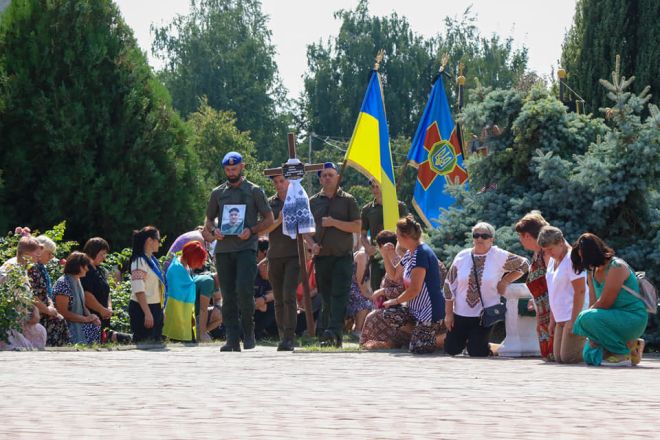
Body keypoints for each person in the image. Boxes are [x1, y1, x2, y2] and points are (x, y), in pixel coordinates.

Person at [205, 151, 274, 351]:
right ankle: (232, 339)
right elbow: (208, 219)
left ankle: (249, 332)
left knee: (244, 289)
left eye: (234, 169)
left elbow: (269, 219)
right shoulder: (217, 193)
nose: (231, 172)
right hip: (224, 249)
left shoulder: (254, 191)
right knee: (227, 294)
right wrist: (213, 230)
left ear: (242, 167)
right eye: (227, 169)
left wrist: (252, 230)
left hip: (246, 247)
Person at [444, 222, 529, 357]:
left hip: (485, 314)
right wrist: (449, 314)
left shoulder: (498, 256)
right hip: (460, 313)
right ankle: (474, 342)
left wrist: (505, 280)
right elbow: (449, 284)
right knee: (451, 349)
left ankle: (484, 345)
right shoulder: (462, 256)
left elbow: (524, 265)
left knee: (477, 352)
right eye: (476, 235)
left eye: (484, 236)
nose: (479, 239)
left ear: (491, 239)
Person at [571, 233, 648, 366]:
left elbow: (605, 303)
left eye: (584, 257)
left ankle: (623, 353)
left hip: (632, 318)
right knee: (589, 356)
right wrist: (592, 333)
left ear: (593, 253)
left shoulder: (616, 266)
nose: (583, 262)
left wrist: (586, 322)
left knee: (585, 318)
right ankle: (632, 345)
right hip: (609, 320)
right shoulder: (592, 270)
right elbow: (593, 303)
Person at [307, 162, 361, 347]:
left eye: (331, 174)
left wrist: (334, 222)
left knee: (339, 295)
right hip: (322, 257)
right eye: (324, 175)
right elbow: (306, 230)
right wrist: (312, 244)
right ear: (320, 179)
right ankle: (328, 333)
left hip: (342, 257)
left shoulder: (348, 200)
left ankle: (334, 332)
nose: (327, 178)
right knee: (326, 296)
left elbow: (357, 225)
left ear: (338, 177)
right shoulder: (313, 201)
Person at [379, 215, 447, 354]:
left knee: (418, 349)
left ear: (405, 236)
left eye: (397, 235)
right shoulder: (411, 252)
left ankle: (449, 338)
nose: (396, 239)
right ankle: (421, 334)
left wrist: (396, 300)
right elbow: (394, 275)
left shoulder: (421, 254)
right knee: (390, 313)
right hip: (415, 308)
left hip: (429, 310)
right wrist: (385, 255)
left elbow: (415, 289)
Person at [538, 226, 587, 364]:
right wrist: (552, 320)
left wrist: (574, 320)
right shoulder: (553, 260)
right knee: (559, 358)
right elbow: (554, 291)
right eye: (545, 250)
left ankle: (601, 346)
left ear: (561, 242)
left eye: (550, 249)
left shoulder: (572, 259)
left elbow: (580, 291)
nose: (548, 253)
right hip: (560, 317)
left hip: (574, 315)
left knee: (568, 358)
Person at [263, 174, 300, 351]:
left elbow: (306, 225)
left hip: (294, 255)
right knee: (278, 298)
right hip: (274, 256)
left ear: (289, 182)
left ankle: (289, 336)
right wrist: (278, 220)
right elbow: (264, 228)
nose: (279, 185)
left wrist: (312, 244)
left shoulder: (298, 199)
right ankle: (282, 335)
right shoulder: (270, 203)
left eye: (282, 181)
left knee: (288, 295)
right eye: (276, 182)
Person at [360, 230, 411, 350]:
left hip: (402, 305)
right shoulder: (396, 258)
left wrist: (383, 292)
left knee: (373, 317)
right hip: (394, 304)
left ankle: (380, 342)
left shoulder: (399, 260)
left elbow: (401, 288)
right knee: (374, 315)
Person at [515, 211, 554, 360]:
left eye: (520, 236)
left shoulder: (547, 253)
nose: (520, 240)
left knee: (555, 356)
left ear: (527, 236)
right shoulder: (537, 254)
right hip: (543, 312)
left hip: (553, 313)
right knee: (548, 356)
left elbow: (554, 283)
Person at [80, 237, 131, 344]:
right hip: (92, 316)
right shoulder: (85, 269)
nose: (104, 257)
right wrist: (101, 309)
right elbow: (86, 295)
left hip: (103, 315)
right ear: (93, 251)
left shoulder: (100, 269)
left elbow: (107, 291)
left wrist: (109, 308)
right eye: (102, 253)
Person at [0, 235, 47, 349]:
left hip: (21, 321)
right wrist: (46, 310)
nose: (38, 257)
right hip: (7, 322)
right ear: (27, 254)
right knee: (19, 348)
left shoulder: (22, 267)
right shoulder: (11, 269)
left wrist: (35, 311)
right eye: (36, 254)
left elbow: (28, 294)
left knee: (40, 332)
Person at [360, 179, 408, 292]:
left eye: (378, 186)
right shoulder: (367, 210)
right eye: (373, 187)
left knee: (399, 288)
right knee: (377, 289)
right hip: (376, 257)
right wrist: (367, 247)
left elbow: (408, 228)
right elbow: (362, 235)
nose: (375, 189)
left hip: (397, 256)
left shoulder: (399, 206)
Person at [27, 235, 70, 346]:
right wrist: (48, 310)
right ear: (40, 250)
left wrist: (51, 306)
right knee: (58, 321)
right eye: (49, 253)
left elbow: (46, 292)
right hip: (35, 312)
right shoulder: (32, 268)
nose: (51, 257)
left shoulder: (41, 268)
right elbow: (32, 296)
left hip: (45, 309)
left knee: (59, 320)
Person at [163, 241, 208, 342]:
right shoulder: (176, 269)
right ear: (192, 257)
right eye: (198, 261)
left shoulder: (185, 266)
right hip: (176, 315)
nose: (199, 266)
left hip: (186, 314)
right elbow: (174, 297)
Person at [53, 252, 102, 344]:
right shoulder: (63, 283)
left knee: (96, 326)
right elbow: (63, 312)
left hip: (78, 320)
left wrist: (91, 317)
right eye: (85, 266)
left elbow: (83, 306)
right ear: (78, 266)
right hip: (66, 325)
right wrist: (85, 319)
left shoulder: (77, 281)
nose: (87, 269)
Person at [129, 226, 165, 343]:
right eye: (158, 240)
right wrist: (147, 313)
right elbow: (138, 289)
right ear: (150, 240)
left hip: (155, 307)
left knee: (155, 343)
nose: (159, 243)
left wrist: (160, 309)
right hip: (143, 308)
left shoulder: (152, 260)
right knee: (144, 343)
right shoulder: (139, 261)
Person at [347, 236, 372, 337]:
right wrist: (368, 294)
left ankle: (360, 328)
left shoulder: (368, 256)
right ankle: (358, 330)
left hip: (356, 287)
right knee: (365, 302)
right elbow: (360, 280)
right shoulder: (362, 255)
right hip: (351, 288)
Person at [253, 238, 277, 340]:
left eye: (256, 252)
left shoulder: (273, 269)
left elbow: (277, 292)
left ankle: (259, 331)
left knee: (273, 305)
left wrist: (264, 299)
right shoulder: (252, 272)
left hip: (263, 306)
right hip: (250, 306)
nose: (255, 255)